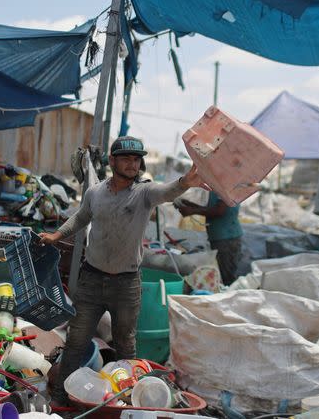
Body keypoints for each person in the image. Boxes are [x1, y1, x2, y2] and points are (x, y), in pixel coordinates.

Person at [39, 136, 208, 404]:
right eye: (127, 158)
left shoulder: (144, 192)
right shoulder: (95, 193)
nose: (133, 163)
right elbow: (81, 217)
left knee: (126, 349)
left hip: (126, 285)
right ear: (113, 160)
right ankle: (60, 399)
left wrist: (185, 183)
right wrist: (56, 235)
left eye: (137, 159)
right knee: (75, 342)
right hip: (91, 280)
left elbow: (166, 192)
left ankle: (125, 401)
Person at [176, 191, 243, 286]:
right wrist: (191, 206)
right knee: (223, 273)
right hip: (220, 237)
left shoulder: (225, 186)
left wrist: (192, 211)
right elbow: (213, 208)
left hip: (226, 238)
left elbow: (220, 210)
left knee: (227, 278)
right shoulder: (217, 187)